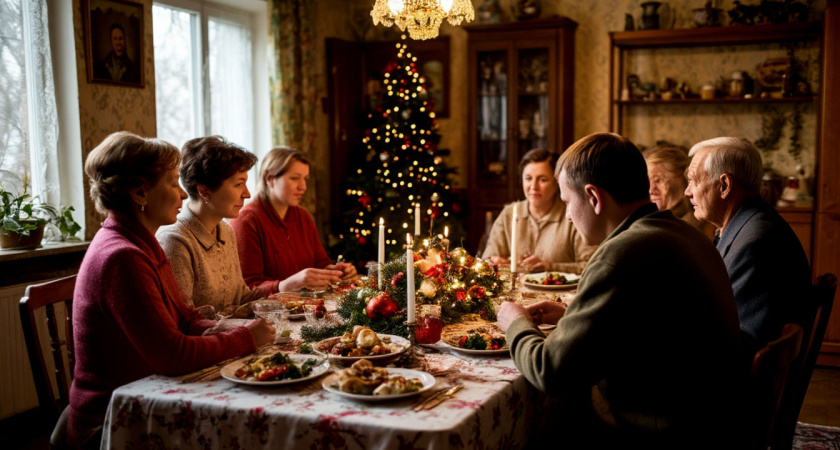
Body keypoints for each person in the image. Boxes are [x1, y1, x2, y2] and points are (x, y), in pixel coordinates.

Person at [497, 133, 743, 448]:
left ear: (594, 197)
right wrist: (573, 315)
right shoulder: (683, 232)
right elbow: (642, 322)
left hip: (664, 431)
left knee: (550, 427)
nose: (569, 215)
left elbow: (550, 372)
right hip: (715, 419)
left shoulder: (621, 253)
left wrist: (514, 321)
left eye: (568, 203)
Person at [65, 132, 274, 448]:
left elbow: (185, 316)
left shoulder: (141, 241)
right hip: (115, 421)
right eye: (173, 183)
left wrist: (215, 327)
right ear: (139, 193)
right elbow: (172, 355)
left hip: (149, 395)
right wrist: (243, 338)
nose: (181, 194)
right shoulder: (123, 256)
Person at [685, 137, 811, 355]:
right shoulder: (751, 224)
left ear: (724, 185)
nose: (688, 192)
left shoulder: (754, 244)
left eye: (694, 181)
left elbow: (741, 342)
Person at [156, 136, 264, 312]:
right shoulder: (175, 241)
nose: (247, 194)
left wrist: (284, 298)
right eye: (238, 185)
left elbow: (241, 298)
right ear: (204, 190)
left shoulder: (225, 231)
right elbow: (185, 320)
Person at [231, 146, 356, 293]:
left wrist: (336, 271)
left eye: (305, 179)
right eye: (295, 178)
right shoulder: (247, 221)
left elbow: (320, 263)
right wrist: (285, 285)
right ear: (270, 179)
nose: (303, 187)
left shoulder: (303, 216)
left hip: (305, 308)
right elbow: (248, 288)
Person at [482, 148, 596, 274]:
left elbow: (591, 267)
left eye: (542, 180)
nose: (533, 186)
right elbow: (486, 260)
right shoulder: (509, 214)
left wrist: (550, 266)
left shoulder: (572, 216)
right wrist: (494, 261)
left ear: (557, 182)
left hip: (560, 293)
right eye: (528, 178)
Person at [642, 144, 716, 239]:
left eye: (658, 180)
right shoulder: (656, 220)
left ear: (683, 178)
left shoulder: (692, 226)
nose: (650, 190)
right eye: (647, 181)